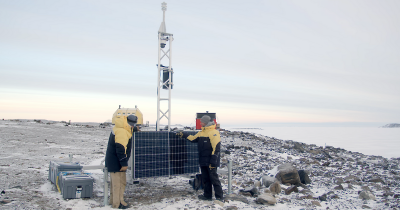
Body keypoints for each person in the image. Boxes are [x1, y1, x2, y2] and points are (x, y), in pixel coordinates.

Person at [177, 115, 224, 201]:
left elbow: (216, 147)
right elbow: (193, 139)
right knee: (205, 179)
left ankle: (219, 197)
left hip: (211, 161)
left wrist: (213, 161)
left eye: (201, 121)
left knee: (214, 179)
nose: (200, 122)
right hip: (203, 160)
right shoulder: (201, 132)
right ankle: (207, 196)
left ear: (206, 122)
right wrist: (184, 135)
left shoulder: (214, 132)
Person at [105, 114, 138, 209]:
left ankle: (114, 201)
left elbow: (127, 131)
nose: (133, 127)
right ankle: (117, 204)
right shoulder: (122, 131)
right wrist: (123, 163)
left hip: (114, 161)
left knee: (116, 183)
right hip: (117, 162)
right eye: (133, 125)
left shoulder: (121, 127)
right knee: (118, 184)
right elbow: (120, 148)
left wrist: (134, 130)